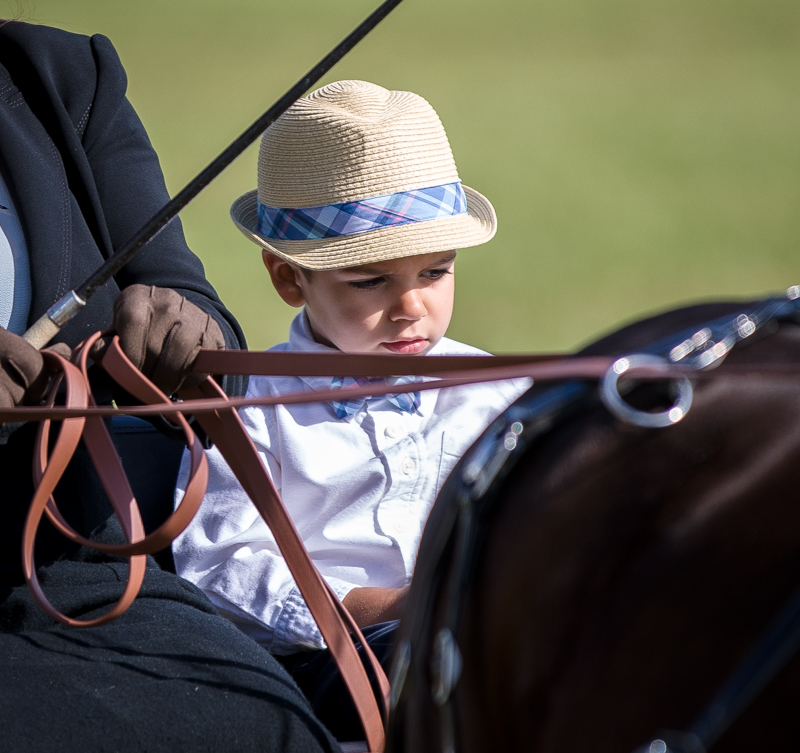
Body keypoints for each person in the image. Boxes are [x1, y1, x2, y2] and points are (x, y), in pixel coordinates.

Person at [0, 19, 337, 753]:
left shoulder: (64, 77)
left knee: (267, 721)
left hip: (73, 570)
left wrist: (188, 339)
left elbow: (199, 313)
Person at [173, 79, 530, 740]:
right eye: (371, 281)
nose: (411, 306)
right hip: (331, 659)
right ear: (287, 278)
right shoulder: (250, 408)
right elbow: (221, 565)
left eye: (436, 271)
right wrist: (391, 605)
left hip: (487, 631)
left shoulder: (496, 391)